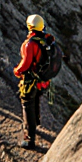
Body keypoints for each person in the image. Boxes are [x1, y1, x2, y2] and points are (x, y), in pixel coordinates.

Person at [14, 14, 54, 150]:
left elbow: (26, 64)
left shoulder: (30, 44)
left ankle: (29, 138)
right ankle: (35, 124)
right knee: (35, 99)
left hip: (31, 81)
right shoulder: (47, 40)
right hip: (43, 80)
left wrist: (17, 71)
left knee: (27, 104)